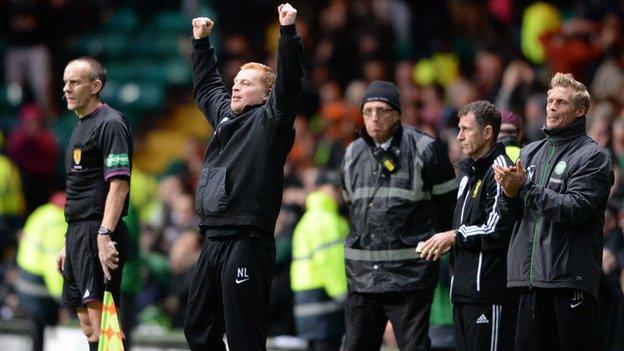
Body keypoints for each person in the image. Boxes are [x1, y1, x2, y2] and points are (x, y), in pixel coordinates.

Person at [184, 4, 303, 351]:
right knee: (198, 328)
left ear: (267, 94)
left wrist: (288, 32)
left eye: (246, 84)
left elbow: (291, 82)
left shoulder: (270, 122)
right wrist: (202, 43)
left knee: (244, 337)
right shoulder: (225, 117)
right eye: (235, 81)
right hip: (214, 239)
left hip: (247, 241)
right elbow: (207, 87)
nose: (235, 87)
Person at [493, 73, 614, 350]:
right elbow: (508, 216)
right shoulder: (528, 153)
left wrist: (525, 187)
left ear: (580, 110)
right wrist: (510, 194)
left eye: (561, 102)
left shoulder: (593, 157)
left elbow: (574, 209)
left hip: (569, 282)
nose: (552, 107)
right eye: (550, 101)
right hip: (528, 280)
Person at [341, 80, 457, 351]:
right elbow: (353, 210)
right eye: (368, 111)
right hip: (362, 277)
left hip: (410, 277)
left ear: (397, 114)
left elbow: (448, 211)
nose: (374, 118)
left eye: (382, 110)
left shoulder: (426, 150)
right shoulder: (351, 154)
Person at [420, 101, 515, 351]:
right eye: (458, 129)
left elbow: (496, 229)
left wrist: (453, 236)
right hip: (463, 293)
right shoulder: (467, 175)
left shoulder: (501, 171)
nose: (459, 136)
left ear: (487, 133)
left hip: (489, 293)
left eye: (466, 129)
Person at [56, 57, 132, 351]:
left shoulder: (111, 123)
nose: (66, 89)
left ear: (96, 86)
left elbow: (119, 185)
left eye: (74, 82)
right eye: (65, 82)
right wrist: (68, 240)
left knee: (105, 326)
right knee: (90, 328)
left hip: (97, 232)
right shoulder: (78, 126)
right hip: (78, 232)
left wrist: (103, 235)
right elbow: (79, 188)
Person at [291, 170, 348, 351]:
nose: (339, 192)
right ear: (322, 189)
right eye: (335, 187)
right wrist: (344, 296)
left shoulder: (309, 218)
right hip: (325, 299)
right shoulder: (326, 220)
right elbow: (331, 263)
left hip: (306, 299)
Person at [16, 192, 67, 351]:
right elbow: (53, 262)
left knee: (35, 329)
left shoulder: (42, 212)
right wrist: (61, 299)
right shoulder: (58, 221)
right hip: (39, 282)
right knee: (42, 328)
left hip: (25, 275)